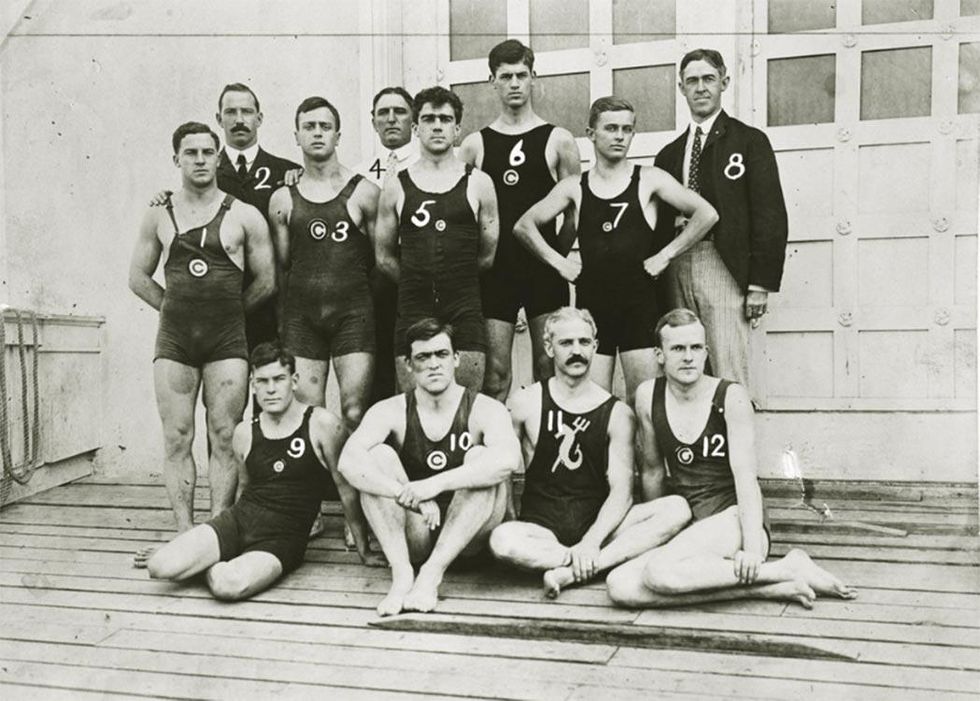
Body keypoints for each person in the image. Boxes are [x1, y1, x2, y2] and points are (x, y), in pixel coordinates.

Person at [605, 309, 856, 609]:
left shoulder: (730, 397)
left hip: (733, 517)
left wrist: (752, 550)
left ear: (706, 352)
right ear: (660, 355)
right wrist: (659, 534)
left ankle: (787, 566)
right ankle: (769, 586)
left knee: (659, 572)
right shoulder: (648, 396)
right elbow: (652, 472)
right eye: (678, 349)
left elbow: (746, 479)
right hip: (689, 523)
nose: (688, 357)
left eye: (696, 348)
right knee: (620, 586)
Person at [136, 343, 381, 600]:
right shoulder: (244, 432)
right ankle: (207, 560)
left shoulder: (322, 424)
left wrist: (363, 550)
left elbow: (347, 491)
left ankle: (206, 565)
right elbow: (244, 489)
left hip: (281, 539)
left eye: (279, 379)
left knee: (228, 584)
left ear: (294, 381)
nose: (271, 389)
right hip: (240, 522)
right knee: (159, 566)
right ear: (253, 386)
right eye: (262, 381)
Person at [514, 97, 718, 404]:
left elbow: (707, 214)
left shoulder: (649, 178)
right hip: (594, 306)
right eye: (611, 128)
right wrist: (560, 263)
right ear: (591, 133)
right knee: (592, 402)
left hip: (639, 305)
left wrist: (666, 255)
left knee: (644, 401)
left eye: (627, 129)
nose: (620, 136)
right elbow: (524, 226)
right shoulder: (575, 186)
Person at [128, 122, 276, 531]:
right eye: (190, 153)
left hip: (227, 343)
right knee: (177, 436)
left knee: (224, 434)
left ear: (218, 157)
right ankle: (183, 531)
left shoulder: (244, 215)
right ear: (176, 158)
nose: (200, 160)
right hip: (176, 343)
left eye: (208, 152)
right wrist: (173, 309)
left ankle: (218, 529)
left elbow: (267, 281)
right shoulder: (159, 213)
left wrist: (230, 314)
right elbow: (137, 277)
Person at [489, 307, 690, 598]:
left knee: (676, 509)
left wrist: (591, 541)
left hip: (600, 527)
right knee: (502, 539)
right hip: (542, 530)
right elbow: (501, 470)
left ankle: (576, 568)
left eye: (584, 342)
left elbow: (622, 492)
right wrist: (510, 516)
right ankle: (585, 563)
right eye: (566, 343)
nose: (576, 351)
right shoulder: (525, 403)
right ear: (549, 348)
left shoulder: (617, 413)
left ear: (595, 346)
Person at [339, 319, 520, 616]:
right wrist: (410, 495)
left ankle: (431, 575)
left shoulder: (485, 408)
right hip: (418, 533)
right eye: (423, 357)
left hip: (471, 537)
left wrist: (434, 485)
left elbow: (509, 460)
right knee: (379, 456)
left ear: (456, 359)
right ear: (409, 365)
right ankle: (402, 575)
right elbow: (348, 461)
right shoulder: (391, 410)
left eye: (441, 354)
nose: (434, 364)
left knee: (481, 458)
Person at [654, 50, 788, 391]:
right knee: (682, 364)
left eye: (708, 79)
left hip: (722, 261)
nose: (700, 88)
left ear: (724, 82)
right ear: (681, 88)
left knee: (727, 366)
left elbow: (770, 214)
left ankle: (735, 426)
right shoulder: (669, 154)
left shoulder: (749, 141)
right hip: (677, 263)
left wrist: (759, 284)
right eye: (692, 81)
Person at [459, 39, 581, 401]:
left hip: (543, 271)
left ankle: (543, 438)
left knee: (548, 370)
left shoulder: (558, 139)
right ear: (492, 81)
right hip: (496, 273)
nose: (514, 83)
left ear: (533, 78)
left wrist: (553, 257)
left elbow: (574, 212)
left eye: (521, 75)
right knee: (496, 376)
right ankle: (497, 438)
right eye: (505, 76)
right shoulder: (475, 144)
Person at [375, 86, 499, 392]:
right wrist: (417, 279)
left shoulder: (479, 182)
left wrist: (453, 278)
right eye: (429, 119)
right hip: (413, 305)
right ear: (416, 128)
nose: (437, 126)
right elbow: (383, 257)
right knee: (413, 404)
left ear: (457, 129)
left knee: (466, 402)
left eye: (445, 119)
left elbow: (487, 255)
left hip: (464, 305)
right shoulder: (396, 186)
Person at [268, 96, 378, 434]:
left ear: (338, 136)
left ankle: (353, 471)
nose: (317, 133)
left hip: (353, 315)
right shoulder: (282, 198)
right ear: (297, 135)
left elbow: (381, 261)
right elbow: (283, 266)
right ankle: (321, 472)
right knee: (310, 414)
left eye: (325, 126)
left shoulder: (364, 192)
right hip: (303, 317)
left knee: (355, 411)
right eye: (309, 126)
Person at [357, 87, 420, 404]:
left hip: (419, 269)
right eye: (383, 113)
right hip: (377, 278)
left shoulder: (428, 163)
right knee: (379, 371)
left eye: (400, 112)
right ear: (373, 122)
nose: (391, 119)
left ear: (414, 120)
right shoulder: (359, 174)